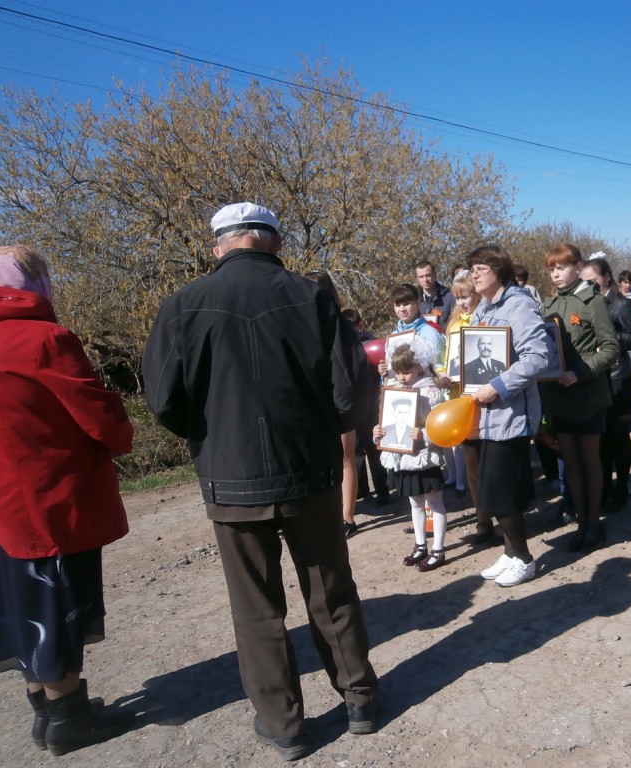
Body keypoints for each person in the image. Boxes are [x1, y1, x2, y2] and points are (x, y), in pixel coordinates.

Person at [142, 202, 379, 758]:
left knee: (255, 607)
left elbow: (163, 399)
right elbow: (351, 391)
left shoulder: (181, 306)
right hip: (310, 470)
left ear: (219, 246)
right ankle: (360, 699)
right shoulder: (313, 298)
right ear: (274, 241)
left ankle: (284, 724)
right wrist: (323, 432)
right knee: (329, 588)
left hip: (230, 476)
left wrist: (211, 437)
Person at [0, 245, 135, 755]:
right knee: (58, 605)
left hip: (4, 505)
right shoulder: (45, 339)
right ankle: (69, 720)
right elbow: (98, 417)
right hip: (51, 497)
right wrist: (120, 429)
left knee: (22, 604)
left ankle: (45, 712)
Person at [467, 245, 556, 586]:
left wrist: (498, 387)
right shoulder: (481, 309)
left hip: (510, 417)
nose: (474, 274)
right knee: (500, 491)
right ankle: (510, 553)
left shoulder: (519, 305)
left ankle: (524, 558)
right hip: (485, 417)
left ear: (499, 270)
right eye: (472, 269)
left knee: (500, 493)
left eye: (481, 268)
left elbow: (538, 356)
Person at [541, 243, 619, 552]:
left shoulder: (592, 302)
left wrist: (580, 373)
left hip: (587, 395)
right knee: (571, 463)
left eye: (561, 267)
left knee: (590, 461)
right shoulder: (548, 305)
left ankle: (594, 524)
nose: (556, 274)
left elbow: (611, 348)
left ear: (577, 267)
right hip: (559, 396)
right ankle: (581, 523)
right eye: (552, 269)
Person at [374, 340, 449, 571]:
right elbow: (386, 421)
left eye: (406, 372)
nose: (402, 377)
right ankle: (420, 544)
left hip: (425, 458)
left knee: (434, 502)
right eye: (398, 372)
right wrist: (378, 433)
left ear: (419, 367)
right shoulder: (393, 391)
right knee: (414, 502)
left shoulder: (431, 393)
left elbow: (443, 426)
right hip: (404, 459)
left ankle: (438, 549)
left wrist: (424, 435)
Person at [580, 256, 631, 510]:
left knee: (618, 436)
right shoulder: (585, 304)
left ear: (606, 277)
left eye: (592, 280)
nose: (588, 285)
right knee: (601, 438)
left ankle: (622, 488)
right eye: (584, 281)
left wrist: (607, 334)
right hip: (596, 377)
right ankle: (603, 487)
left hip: (617, 377)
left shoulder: (621, 304)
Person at [306, 271, 362, 538]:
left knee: (345, 457)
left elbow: (351, 368)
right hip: (313, 404)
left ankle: (347, 517)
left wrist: (347, 406)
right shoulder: (301, 324)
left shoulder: (341, 324)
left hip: (339, 403)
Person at [438, 270, 486, 540]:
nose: (462, 302)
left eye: (466, 296)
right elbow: (448, 363)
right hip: (461, 401)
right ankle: (482, 518)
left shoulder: (487, 320)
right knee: (471, 463)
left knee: (489, 461)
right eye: (457, 298)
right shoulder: (453, 326)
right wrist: (444, 376)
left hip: (486, 400)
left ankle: (501, 514)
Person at [342, 308, 390, 510]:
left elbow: (381, 372)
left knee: (374, 447)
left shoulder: (370, 344)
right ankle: (361, 489)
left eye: (351, 327)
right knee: (355, 450)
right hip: (351, 405)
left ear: (359, 326)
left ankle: (382, 489)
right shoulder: (341, 346)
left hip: (369, 404)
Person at [415, 260, 455, 327]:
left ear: (435, 275)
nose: (425, 280)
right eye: (421, 277)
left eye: (428, 275)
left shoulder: (449, 296)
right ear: (417, 279)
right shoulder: (413, 299)